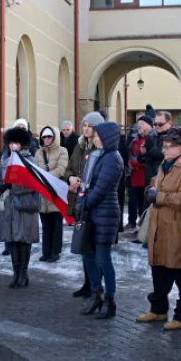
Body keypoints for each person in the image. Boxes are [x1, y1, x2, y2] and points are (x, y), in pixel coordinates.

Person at [139, 127, 181, 330]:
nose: (163, 150)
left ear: (180, 148)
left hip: (177, 228)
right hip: (159, 228)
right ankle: (158, 309)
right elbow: (155, 184)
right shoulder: (165, 164)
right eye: (163, 146)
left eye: (167, 147)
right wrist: (150, 191)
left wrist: (159, 197)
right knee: (159, 270)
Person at [77, 122, 125, 319]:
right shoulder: (98, 156)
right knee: (87, 254)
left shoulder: (112, 158)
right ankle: (95, 294)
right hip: (91, 213)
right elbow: (88, 184)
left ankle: (109, 300)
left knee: (103, 259)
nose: (95, 138)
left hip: (105, 213)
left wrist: (83, 203)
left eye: (98, 136)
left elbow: (100, 189)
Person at [0, 125, 41, 288]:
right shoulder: (5, 160)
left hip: (24, 204)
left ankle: (24, 274)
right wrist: (0, 187)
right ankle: (15, 274)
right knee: (13, 239)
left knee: (24, 239)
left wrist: (11, 186)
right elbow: (0, 180)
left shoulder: (29, 160)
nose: (13, 146)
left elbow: (33, 184)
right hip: (9, 205)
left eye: (17, 143)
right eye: (11, 143)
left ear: (23, 144)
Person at [67, 112, 105, 298]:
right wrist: (71, 177)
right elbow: (70, 167)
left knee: (94, 247)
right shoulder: (79, 146)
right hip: (79, 201)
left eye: (90, 126)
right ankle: (88, 283)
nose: (86, 129)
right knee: (83, 244)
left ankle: (96, 285)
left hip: (93, 203)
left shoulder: (101, 149)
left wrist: (82, 181)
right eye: (84, 125)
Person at [36, 126, 69, 262]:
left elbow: (62, 168)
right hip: (43, 192)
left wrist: (47, 178)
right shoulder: (39, 152)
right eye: (44, 137)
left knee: (56, 223)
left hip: (55, 191)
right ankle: (46, 251)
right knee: (45, 224)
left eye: (49, 136)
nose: (47, 139)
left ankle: (55, 252)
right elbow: (35, 168)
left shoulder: (63, 150)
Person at [143, 111, 172, 187]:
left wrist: (151, 150)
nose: (157, 126)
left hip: (166, 179)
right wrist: (142, 153)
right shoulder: (151, 135)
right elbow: (146, 159)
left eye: (160, 124)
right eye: (155, 124)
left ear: (169, 123)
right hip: (151, 180)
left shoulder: (175, 137)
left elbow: (168, 156)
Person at [127, 122, 147, 229]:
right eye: (138, 125)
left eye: (142, 125)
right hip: (135, 174)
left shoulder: (149, 139)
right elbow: (129, 153)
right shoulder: (134, 140)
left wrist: (137, 163)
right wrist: (130, 163)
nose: (140, 127)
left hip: (144, 174)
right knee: (135, 199)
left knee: (144, 201)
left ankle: (143, 226)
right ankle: (135, 222)